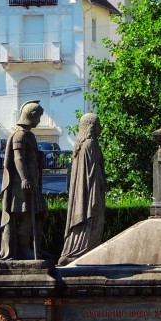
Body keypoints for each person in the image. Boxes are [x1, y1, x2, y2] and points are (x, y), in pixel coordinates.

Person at [0, 101, 49, 261]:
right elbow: (18, 158)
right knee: (26, 217)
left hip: (32, 184)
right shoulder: (20, 135)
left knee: (38, 216)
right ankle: (24, 251)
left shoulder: (28, 134)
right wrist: (25, 178)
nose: (39, 121)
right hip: (22, 186)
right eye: (38, 117)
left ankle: (35, 249)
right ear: (32, 116)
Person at [58, 113, 106, 266]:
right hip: (90, 194)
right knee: (94, 221)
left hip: (84, 193)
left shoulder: (80, 144)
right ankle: (83, 251)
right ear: (92, 126)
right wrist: (103, 183)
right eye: (98, 125)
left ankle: (78, 250)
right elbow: (94, 172)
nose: (101, 128)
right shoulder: (90, 144)